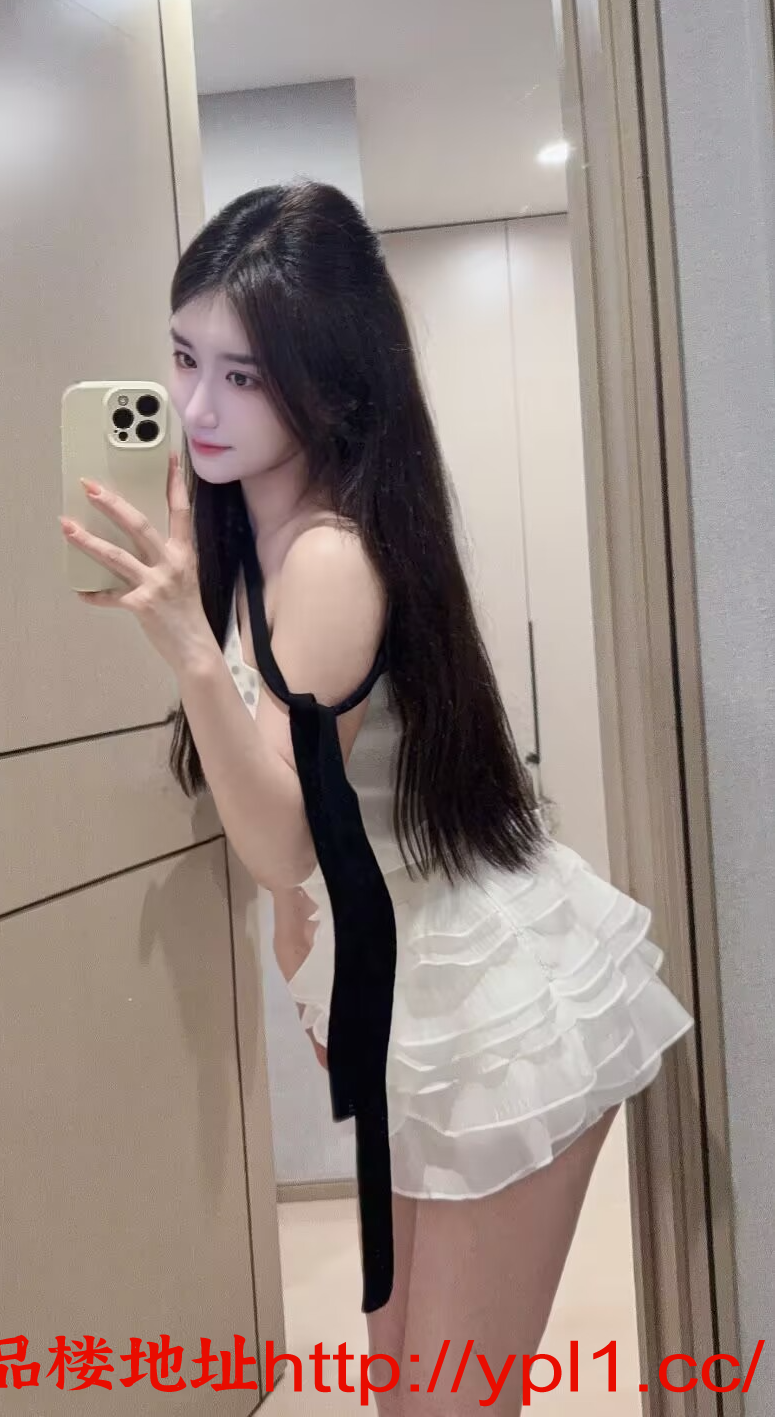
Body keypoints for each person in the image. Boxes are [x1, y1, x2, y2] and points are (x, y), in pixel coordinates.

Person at [59, 180, 694, 1415]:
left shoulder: (332, 558)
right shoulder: (247, 536)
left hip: (494, 1010)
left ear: (332, 384)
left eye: (243, 375)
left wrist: (188, 648)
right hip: (405, 1006)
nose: (197, 406)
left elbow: (282, 840)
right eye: (184, 358)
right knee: (407, 1393)